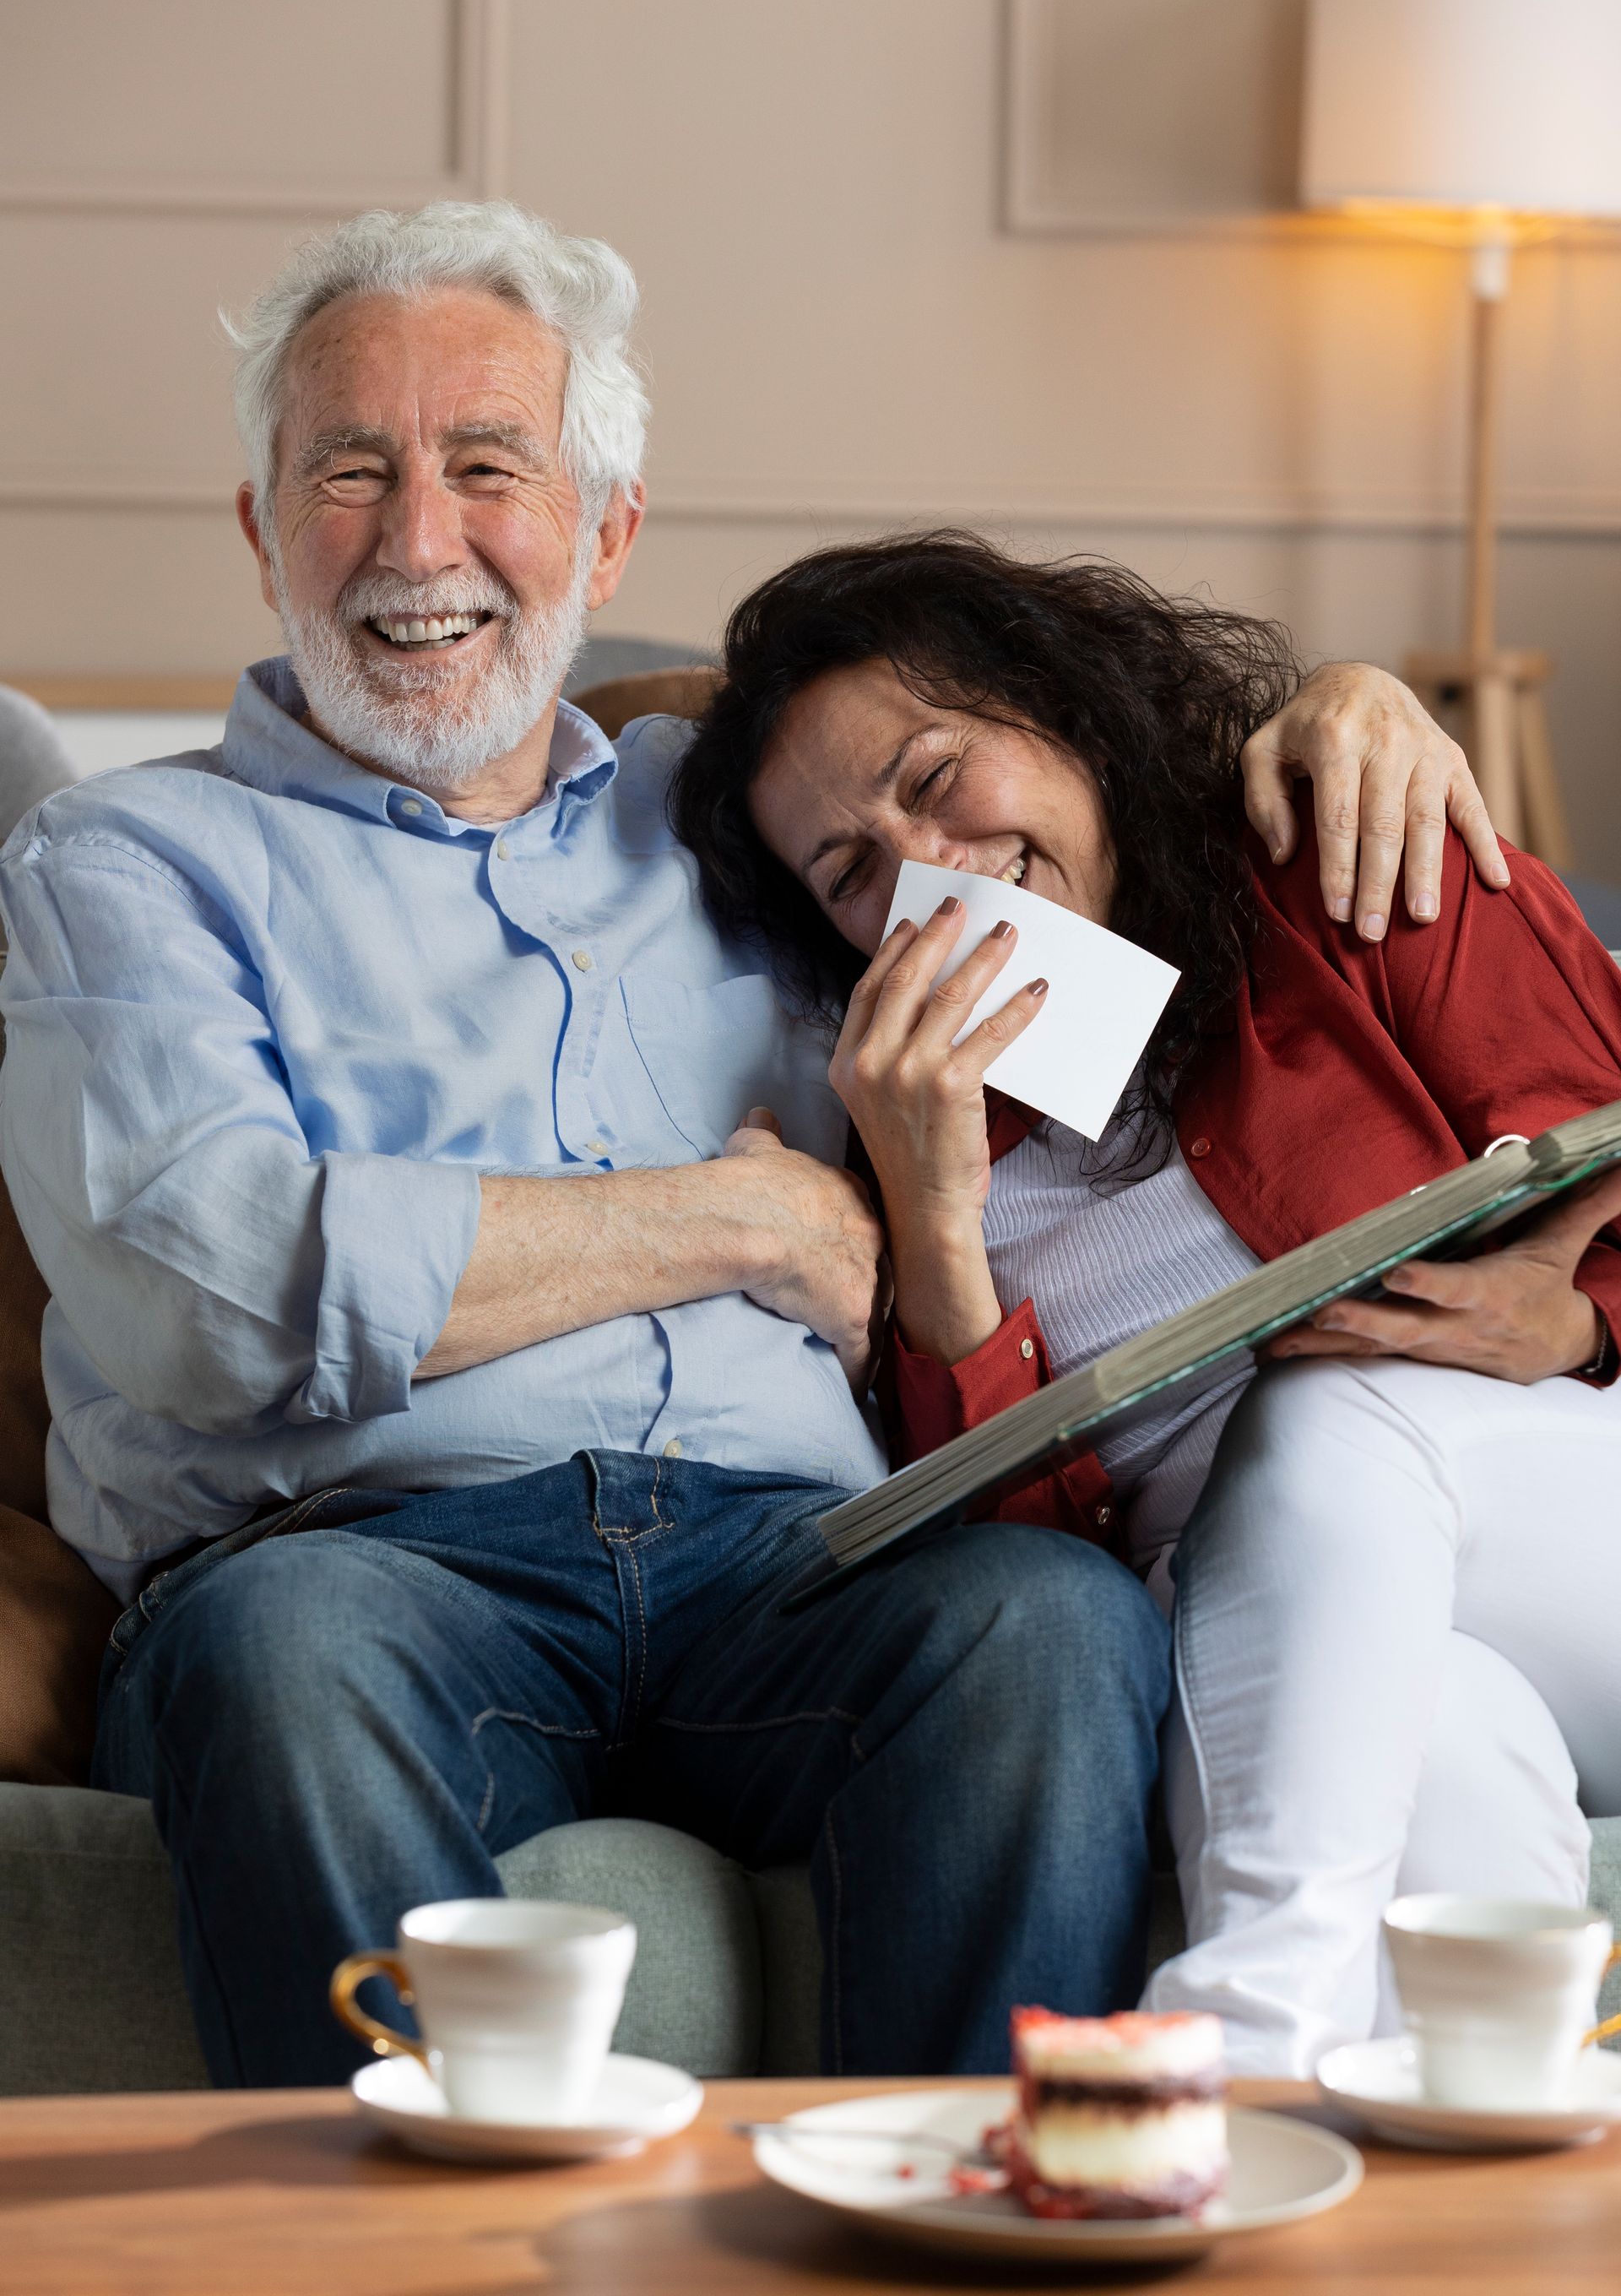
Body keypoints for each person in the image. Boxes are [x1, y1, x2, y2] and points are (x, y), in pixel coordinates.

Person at [0, 204, 1484, 2087]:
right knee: (277, 1663)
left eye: (487, 468)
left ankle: (941, 2243)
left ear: (607, 533)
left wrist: (1328, 702)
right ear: (262, 529)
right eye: (348, 472)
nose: (418, 540)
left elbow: (1058, 786)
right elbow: (210, 1282)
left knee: (1040, 1626)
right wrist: (738, 1219)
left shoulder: (747, 808)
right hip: (358, 1556)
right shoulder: (124, 866)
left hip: (800, 1559)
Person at [671, 529, 1621, 2076]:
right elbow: (1034, 1608)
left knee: (1331, 1392)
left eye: (934, 778)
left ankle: (1234, 2038)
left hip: (1573, 1521)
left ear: (1061, 708)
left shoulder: (1350, 860)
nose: (926, 872)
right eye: (852, 873)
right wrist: (937, 1217)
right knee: (1434, 1767)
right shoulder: (906, 1139)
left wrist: (1577, 1319)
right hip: (1309, 1638)